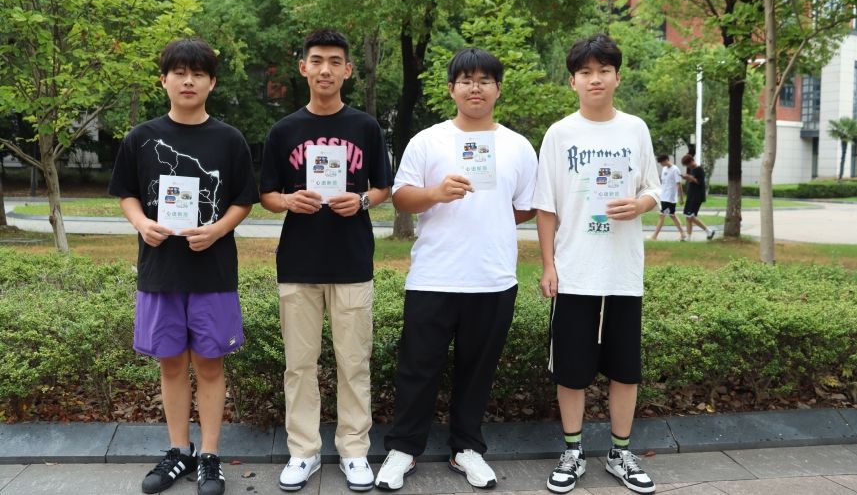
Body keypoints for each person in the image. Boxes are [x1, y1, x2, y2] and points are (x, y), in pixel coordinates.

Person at [373, 48, 538, 491]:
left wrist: (492, 216)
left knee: (478, 370)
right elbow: (402, 197)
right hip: (434, 276)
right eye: (466, 80)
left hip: (493, 278)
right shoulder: (428, 141)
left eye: (485, 80)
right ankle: (403, 449)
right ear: (451, 89)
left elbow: (526, 206)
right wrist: (436, 194)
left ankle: (466, 448)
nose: (475, 88)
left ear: (498, 89)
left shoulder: (518, 146)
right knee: (417, 368)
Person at [109, 38, 259, 495]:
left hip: (213, 272)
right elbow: (127, 193)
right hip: (161, 272)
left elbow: (243, 199)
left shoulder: (229, 139)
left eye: (197, 73)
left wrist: (217, 230)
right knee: (171, 364)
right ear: (164, 80)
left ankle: (210, 455)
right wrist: (141, 223)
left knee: (210, 364)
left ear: (212, 82)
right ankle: (179, 450)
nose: (188, 80)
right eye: (179, 72)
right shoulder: (141, 138)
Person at [259, 29, 393, 492]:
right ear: (303, 68)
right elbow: (266, 194)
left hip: (351, 261)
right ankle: (304, 451)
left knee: (354, 363)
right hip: (298, 263)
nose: (325, 70)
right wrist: (287, 201)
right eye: (317, 60)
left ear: (348, 70)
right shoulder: (284, 131)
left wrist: (363, 200)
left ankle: (354, 450)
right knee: (299, 364)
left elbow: (383, 187)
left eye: (335, 62)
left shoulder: (365, 127)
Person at [533, 34, 660, 494]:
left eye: (604, 70)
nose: (595, 79)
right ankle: (573, 451)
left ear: (617, 77)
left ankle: (619, 452)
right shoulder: (559, 134)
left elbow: (654, 188)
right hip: (575, 271)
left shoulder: (635, 129)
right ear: (573, 81)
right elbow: (546, 207)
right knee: (571, 369)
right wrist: (549, 266)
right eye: (585, 72)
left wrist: (640, 204)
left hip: (623, 273)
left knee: (625, 368)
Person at [651, 155, 686, 241]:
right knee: (672, 216)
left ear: (666, 160)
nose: (661, 164)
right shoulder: (664, 169)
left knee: (662, 216)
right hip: (664, 197)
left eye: (662, 162)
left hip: (670, 198)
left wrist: (681, 198)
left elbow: (679, 184)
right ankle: (683, 234)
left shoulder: (675, 169)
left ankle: (654, 236)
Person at [680, 154, 715, 240]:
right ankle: (689, 237)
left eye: (688, 164)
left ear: (692, 161)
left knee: (690, 216)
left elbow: (699, 181)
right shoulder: (693, 170)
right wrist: (687, 178)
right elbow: (693, 180)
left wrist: (689, 177)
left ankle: (708, 231)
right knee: (688, 216)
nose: (688, 166)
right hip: (691, 196)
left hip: (697, 196)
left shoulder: (699, 169)